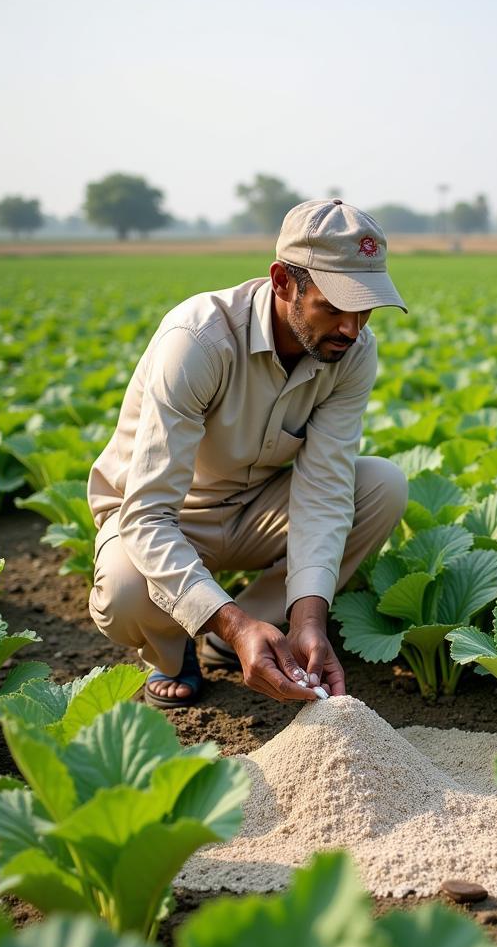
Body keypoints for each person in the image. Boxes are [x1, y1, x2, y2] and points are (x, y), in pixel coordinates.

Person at [86, 199, 409, 708]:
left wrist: (309, 619)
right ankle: (174, 651)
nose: (352, 326)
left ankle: (242, 634)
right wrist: (237, 624)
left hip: (254, 508)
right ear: (282, 282)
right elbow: (147, 515)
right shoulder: (199, 340)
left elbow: (324, 490)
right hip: (166, 516)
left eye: (365, 306)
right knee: (126, 588)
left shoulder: (352, 352)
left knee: (383, 485)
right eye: (334, 306)